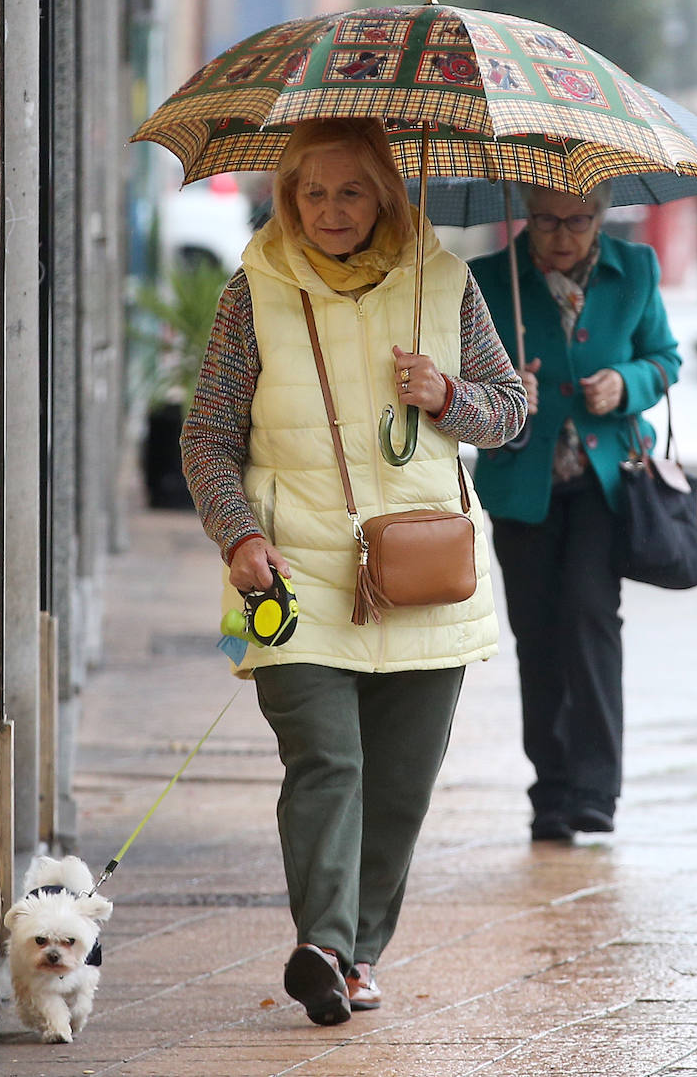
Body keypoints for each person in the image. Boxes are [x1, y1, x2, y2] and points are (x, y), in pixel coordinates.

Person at [181, 118, 527, 1025]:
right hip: (292, 575)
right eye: (311, 192)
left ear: (387, 195)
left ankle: (361, 949)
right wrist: (238, 536)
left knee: (401, 783)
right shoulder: (251, 292)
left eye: (351, 191)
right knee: (327, 761)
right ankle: (325, 945)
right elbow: (208, 439)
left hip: (424, 572)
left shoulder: (443, 283)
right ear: (287, 197)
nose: (329, 211)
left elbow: (510, 412)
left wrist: (449, 396)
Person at [469, 183, 681, 844]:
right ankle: (551, 792)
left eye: (577, 222)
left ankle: (595, 789)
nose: (560, 236)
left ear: (601, 217)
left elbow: (665, 359)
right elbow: (455, 383)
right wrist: (502, 393)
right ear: (524, 217)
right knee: (537, 634)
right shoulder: (484, 279)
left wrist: (627, 384)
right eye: (544, 221)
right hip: (522, 483)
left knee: (590, 618)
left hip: (603, 481)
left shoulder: (635, 268)